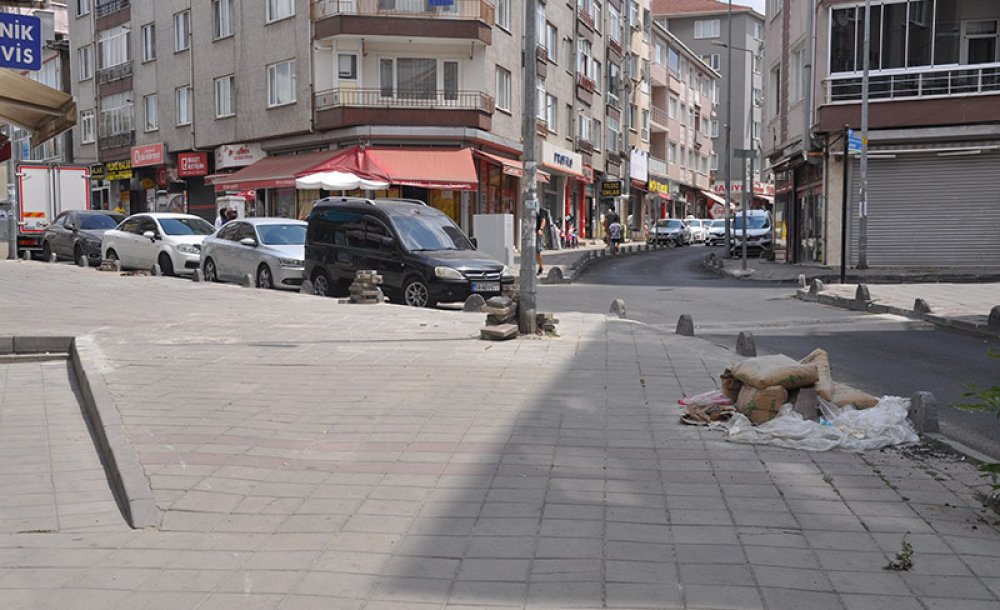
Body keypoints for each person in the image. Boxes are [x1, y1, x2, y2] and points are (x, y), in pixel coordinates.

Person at [535, 207, 550, 276]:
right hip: (530, 234)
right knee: (533, 252)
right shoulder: (528, 210)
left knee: (537, 251)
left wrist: (540, 229)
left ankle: (541, 267)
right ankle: (539, 267)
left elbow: (543, 220)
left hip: (538, 233)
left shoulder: (540, 211)